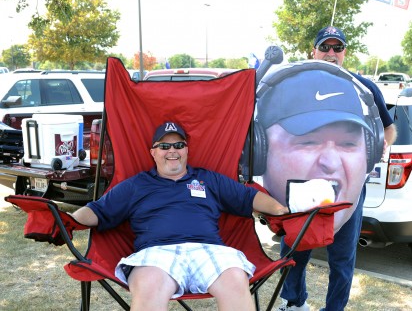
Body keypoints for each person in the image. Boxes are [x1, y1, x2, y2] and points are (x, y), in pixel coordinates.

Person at [70, 121, 291, 311]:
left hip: (209, 250)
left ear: (186, 150)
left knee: (235, 280)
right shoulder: (137, 185)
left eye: (179, 145)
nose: (172, 151)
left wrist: (281, 210)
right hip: (156, 253)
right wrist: (66, 221)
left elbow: (249, 198)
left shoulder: (208, 179)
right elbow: (97, 211)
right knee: (149, 285)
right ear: (153, 152)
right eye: (164, 146)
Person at [275, 26, 397, 311]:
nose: (331, 54)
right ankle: (294, 303)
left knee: (342, 257)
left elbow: (389, 128)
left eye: (337, 48)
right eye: (325, 47)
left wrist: (382, 145)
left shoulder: (363, 86)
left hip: (348, 184)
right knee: (295, 249)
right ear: (313, 51)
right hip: (302, 183)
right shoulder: (292, 86)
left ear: (344, 52)